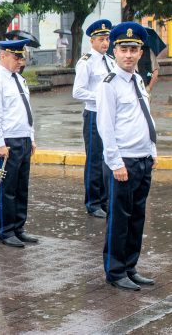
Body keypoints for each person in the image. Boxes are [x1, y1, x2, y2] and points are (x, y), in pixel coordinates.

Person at [96, 22, 157, 291]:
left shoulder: (138, 80)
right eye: (123, 49)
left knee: (136, 217)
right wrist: (116, 162)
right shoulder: (109, 84)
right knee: (119, 219)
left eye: (134, 49)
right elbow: (105, 127)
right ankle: (115, 270)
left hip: (143, 158)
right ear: (115, 51)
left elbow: (145, 117)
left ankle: (130, 266)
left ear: (141, 53)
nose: (129, 54)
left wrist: (152, 151)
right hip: (124, 162)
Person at [0, 39, 38, 248]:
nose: (20, 61)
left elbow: (27, 111)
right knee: (7, 189)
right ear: (3, 55)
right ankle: (6, 231)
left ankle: (18, 227)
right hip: (6, 142)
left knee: (21, 187)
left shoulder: (19, 80)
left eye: (21, 57)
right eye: (17, 57)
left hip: (22, 138)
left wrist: (31, 138)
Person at [72, 19, 115, 219]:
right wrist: (100, 97)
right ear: (92, 41)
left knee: (109, 158)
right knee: (95, 160)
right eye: (101, 39)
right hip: (94, 114)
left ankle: (105, 200)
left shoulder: (111, 61)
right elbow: (78, 91)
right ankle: (93, 202)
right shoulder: (86, 62)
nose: (105, 43)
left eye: (107, 39)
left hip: (110, 115)